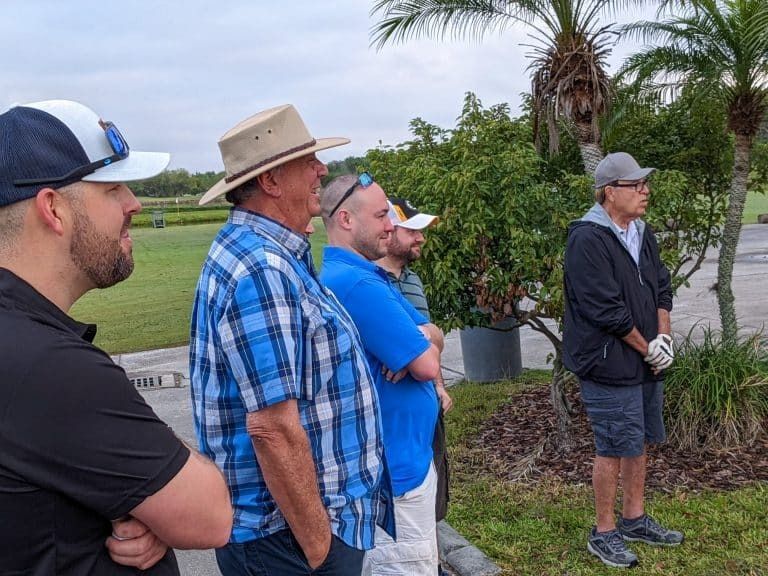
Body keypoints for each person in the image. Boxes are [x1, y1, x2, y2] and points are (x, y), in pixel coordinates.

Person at [0, 99, 232, 575]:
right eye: (113, 188)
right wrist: (146, 506)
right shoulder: (50, 368)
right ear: (53, 209)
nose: (135, 204)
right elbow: (210, 516)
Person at [190, 105, 388, 576]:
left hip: (289, 536)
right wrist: (320, 549)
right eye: (308, 161)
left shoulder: (265, 253)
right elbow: (272, 429)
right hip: (288, 542)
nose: (322, 170)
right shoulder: (262, 267)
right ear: (272, 182)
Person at [563, 152, 684, 569]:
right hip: (607, 361)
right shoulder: (587, 239)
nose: (645, 191)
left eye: (644, 184)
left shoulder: (641, 232)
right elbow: (606, 310)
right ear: (610, 193)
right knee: (613, 445)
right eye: (635, 185)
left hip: (644, 356)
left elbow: (662, 287)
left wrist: (662, 338)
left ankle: (634, 519)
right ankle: (604, 532)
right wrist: (646, 346)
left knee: (639, 440)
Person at [320, 174, 443, 576]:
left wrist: (419, 339)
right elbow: (427, 364)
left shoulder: (368, 276)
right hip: (396, 476)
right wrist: (419, 347)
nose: (390, 226)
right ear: (346, 220)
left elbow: (431, 338)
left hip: (407, 461)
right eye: (380, 216)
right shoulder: (356, 283)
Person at [375, 197, 453, 576]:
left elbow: (432, 341)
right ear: (386, 231)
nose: (420, 238)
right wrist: (419, 348)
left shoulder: (411, 279)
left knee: (433, 499)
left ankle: (431, 560)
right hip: (394, 441)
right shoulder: (373, 286)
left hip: (424, 410)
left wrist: (435, 378)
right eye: (412, 230)